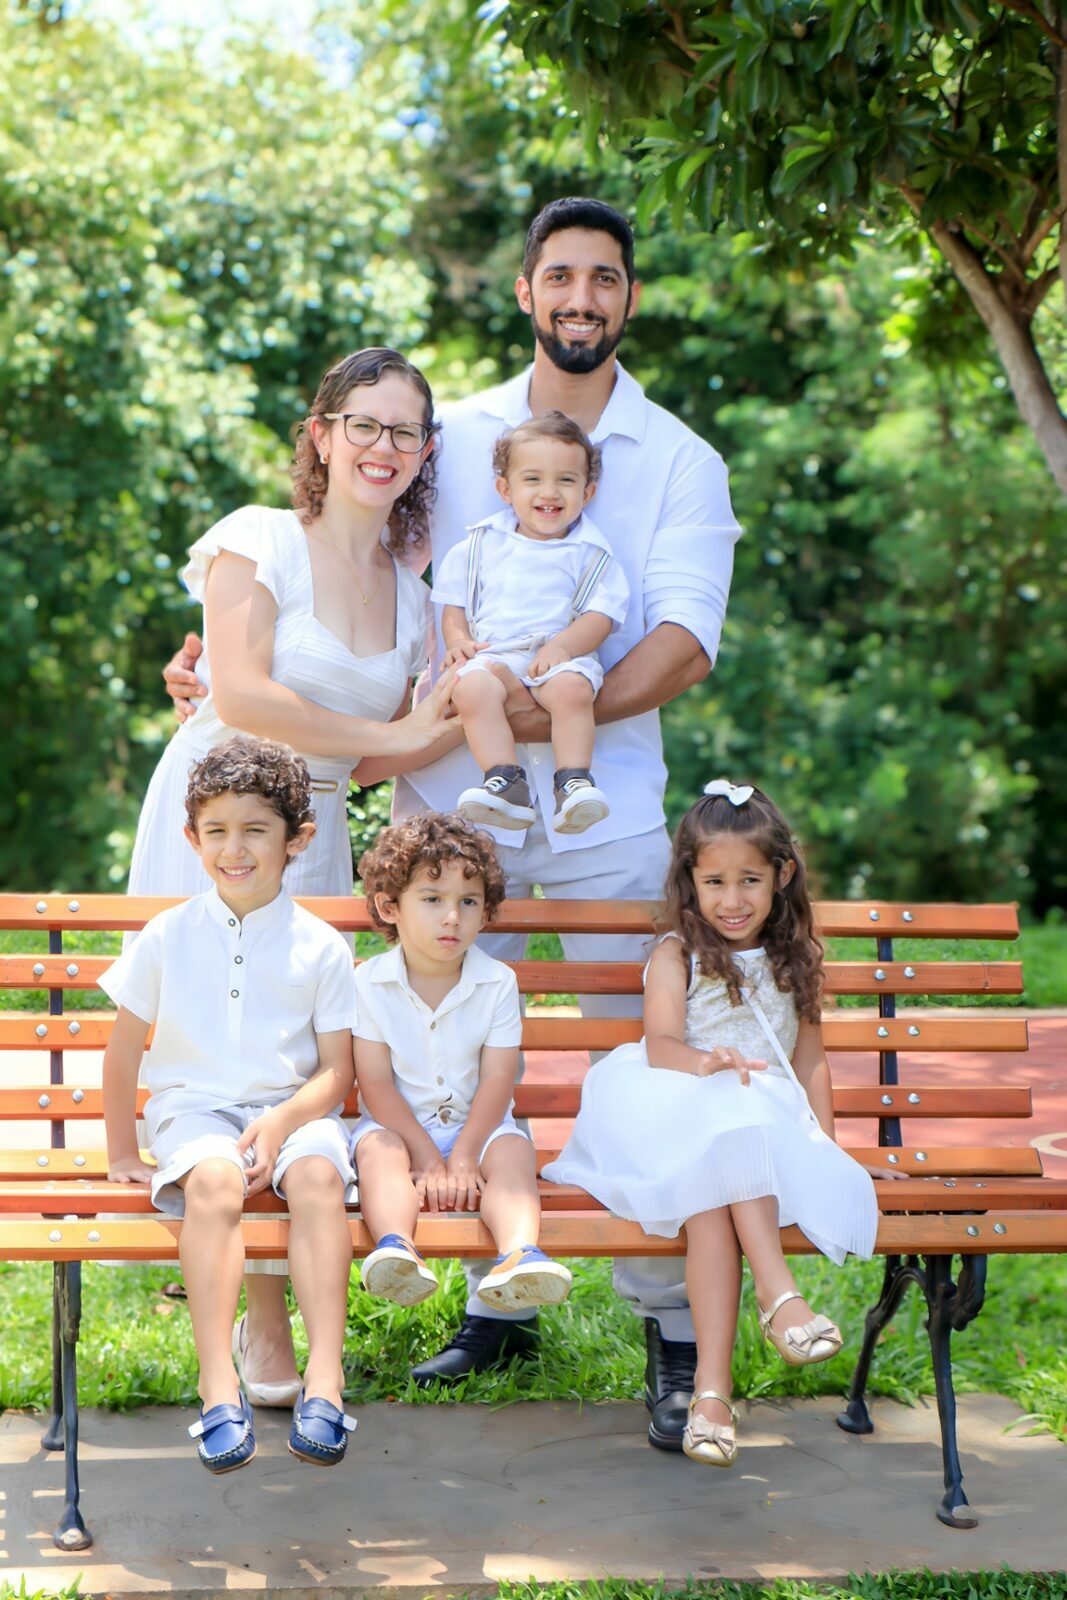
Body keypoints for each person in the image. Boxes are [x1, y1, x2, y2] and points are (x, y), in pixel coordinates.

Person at [164, 197, 743, 1450]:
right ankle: (491, 1296)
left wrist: (520, 714)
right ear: (526, 292)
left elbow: (683, 641)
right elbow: (352, 552)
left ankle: (667, 1330)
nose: (579, 299)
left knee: (636, 1055)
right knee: (426, 1043)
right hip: (446, 810)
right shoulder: (458, 429)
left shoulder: (681, 459)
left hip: (599, 808)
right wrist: (223, 650)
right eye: (558, 277)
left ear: (628, 297)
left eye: (603, 279)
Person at [138, 346, 465, 1411]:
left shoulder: (416, 598)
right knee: (212, 1044)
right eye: (362, 423)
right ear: (321, 433)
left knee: (286, 1057)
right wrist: (399, 736)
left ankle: (269, 1316)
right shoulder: (258, 538)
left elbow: (371, 755)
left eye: (404, 431)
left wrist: (430, 727)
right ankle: (236, 1304)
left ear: (424, 453)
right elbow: (238, 692)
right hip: (220, 811)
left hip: (313, 832)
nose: (382, 446)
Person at [544, 780, 879, 1466]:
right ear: (689, 880)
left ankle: (709, 1400)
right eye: (715, 881)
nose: (732, 899)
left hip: (754, 1136)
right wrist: (708, 1064)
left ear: (782, 875)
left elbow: (809, 1061)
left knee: (713, 1203)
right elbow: (661, 1046)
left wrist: (827, 1147)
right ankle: (778, 1297)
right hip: (675, 1109)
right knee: (727, 1113)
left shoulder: (796, 957)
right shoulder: (677, 953)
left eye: (749, 880)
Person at [100, 737, 361, 1472]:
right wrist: (121, 1151)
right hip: (195, 1112)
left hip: (295, 1111)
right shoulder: (166, 935)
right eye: (215, 831)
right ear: (192, 839)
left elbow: (336, 1073)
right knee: (214, 1184)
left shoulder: (321, 946)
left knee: (317, 1180)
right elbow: (123, 1053)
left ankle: (325, 1380)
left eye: (254, 830)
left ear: (297, 839)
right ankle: (218, 1386)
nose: (233, 848)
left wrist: (282, 1123)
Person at [351, 813, 572, 1313]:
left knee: (514, 1152)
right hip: (399, 1128)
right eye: (432, 900)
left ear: (485, 912)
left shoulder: (497, 982)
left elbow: (497, 1080)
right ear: (390, 907)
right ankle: (396, 1248)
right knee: (379, 1153)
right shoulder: (369, 983)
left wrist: (467, 1154)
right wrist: (428, 1158)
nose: (452, 917)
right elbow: (376, 1084)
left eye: (468, 902)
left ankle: (519, 1253)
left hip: (481, 1127)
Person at [434, 412, 627, 836]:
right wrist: (458, 640)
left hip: (556, 656)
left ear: (588, 492)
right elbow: (455, 604)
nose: (550, 492)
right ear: (505, 489)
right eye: (533, 479)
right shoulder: (480, 544)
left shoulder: (591, 553)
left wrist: (563, 647)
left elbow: (600, 616)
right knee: (471, 688)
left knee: (573, 691)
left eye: (566, 480)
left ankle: (573, 780)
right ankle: (504, 779)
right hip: (495, 653)